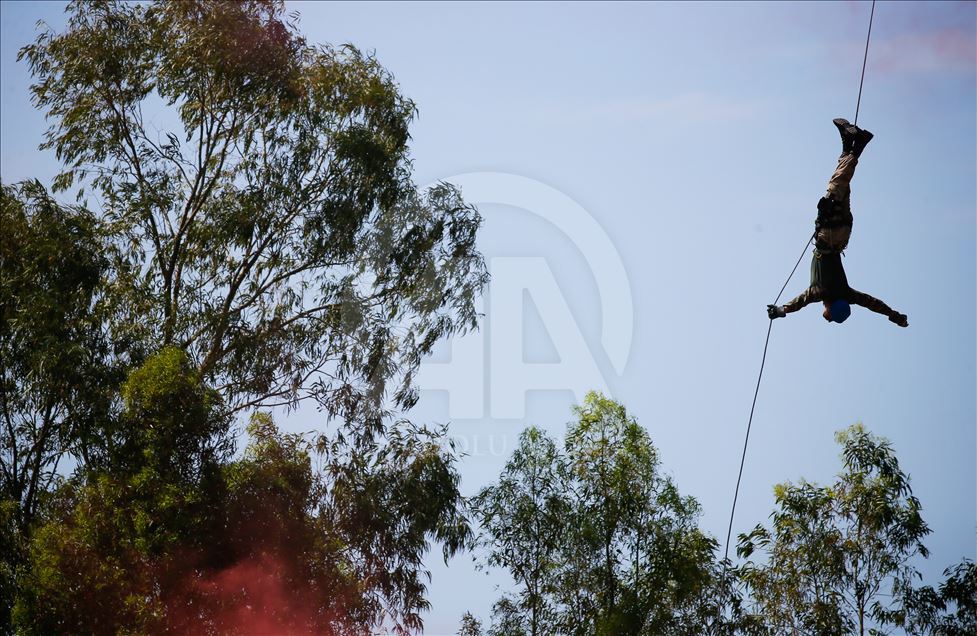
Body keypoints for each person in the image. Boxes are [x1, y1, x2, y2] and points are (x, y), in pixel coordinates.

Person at [767, 119, 908, 327]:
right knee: (836, 183)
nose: (827, 318)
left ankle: (850, 145)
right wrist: (780, 311)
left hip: (843, 233)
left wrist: (894, 315)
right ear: (831, 308)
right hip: (829, 234)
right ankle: (857, 144)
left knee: (843, 184)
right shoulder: (821, 292)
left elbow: (872, 303)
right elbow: (800, 302)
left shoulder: (847, 294)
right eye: (830, 316)